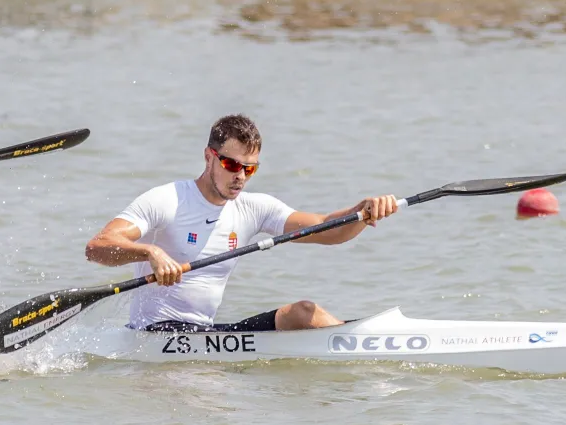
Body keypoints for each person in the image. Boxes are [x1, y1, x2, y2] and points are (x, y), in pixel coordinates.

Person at [84, 114, 399, 333]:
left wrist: (362, 212)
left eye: (250, 169)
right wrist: (149, 252)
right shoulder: (167, 200)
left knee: (304, 313)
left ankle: (354, 345)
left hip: (204, 335)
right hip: (153, 336)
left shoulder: (253, 208)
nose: (240, 177)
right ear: (209, 157)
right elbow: (97, 247)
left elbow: (325, 228)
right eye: (232, 164)